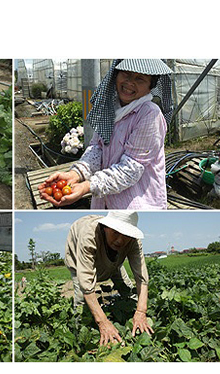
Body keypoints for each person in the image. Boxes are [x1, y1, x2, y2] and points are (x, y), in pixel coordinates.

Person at [39, 59, 174, 209]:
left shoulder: (149, 114)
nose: (130, 82)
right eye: (126, 74)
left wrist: (87, 186)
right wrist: (77, 174)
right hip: (106, 200)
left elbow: (131, 168)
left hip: (135, 205)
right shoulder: (110, 106)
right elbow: (97, 147)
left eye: (140, 79)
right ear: (116, 75)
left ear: (151, 86)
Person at [65, 211, 152, 346]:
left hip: (114, 262)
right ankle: (80, 339)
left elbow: (141, 277)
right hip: (81, 262)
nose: (120, 240)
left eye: (126, 236)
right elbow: (86, 285)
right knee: (82, 301)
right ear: (105, 227)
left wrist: (141, 311)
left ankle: (136, 322)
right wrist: (103, 322)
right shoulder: (89, 234)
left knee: (127, 290)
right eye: (115, 233)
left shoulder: (133, 241)